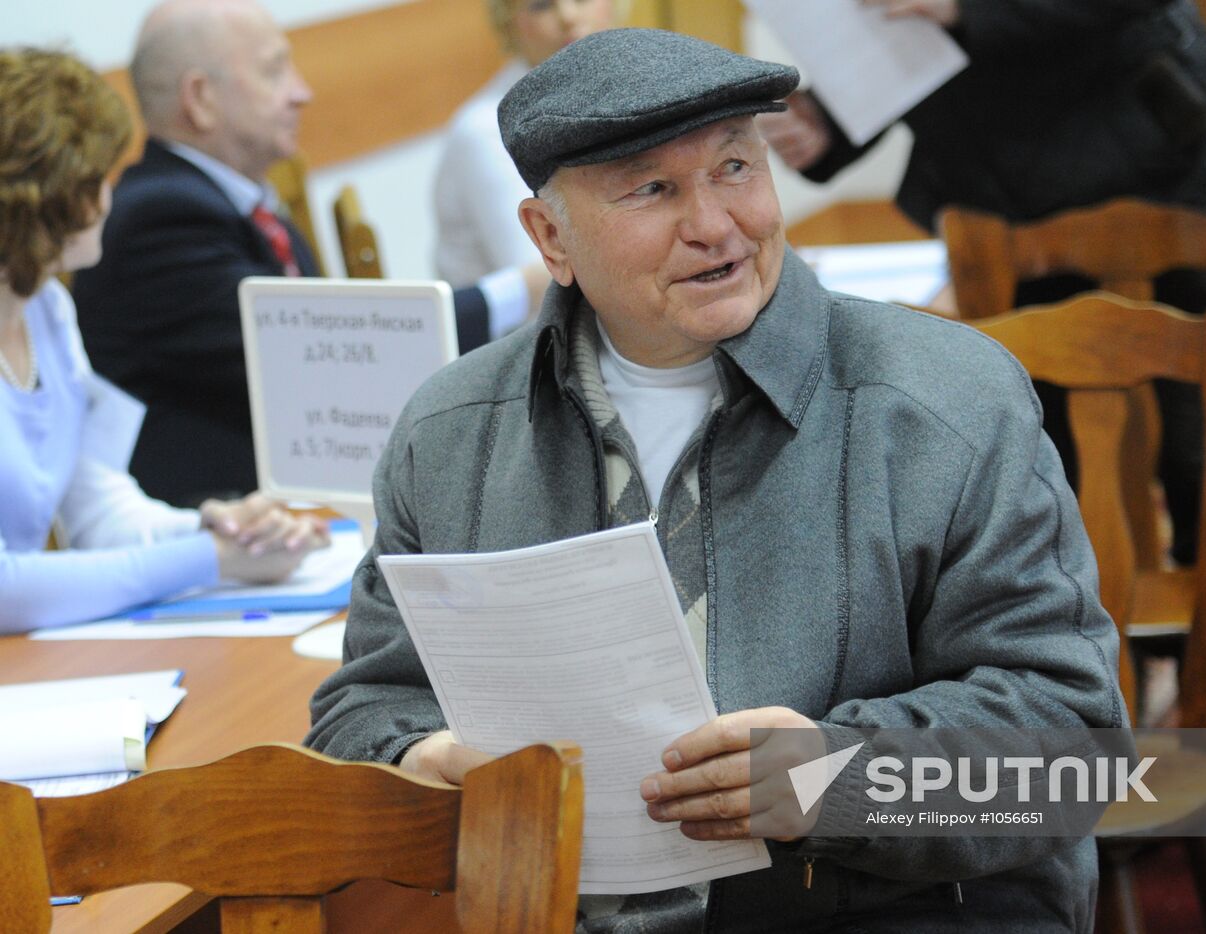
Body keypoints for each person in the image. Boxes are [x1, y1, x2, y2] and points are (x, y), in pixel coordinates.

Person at [308, 29, 1125, 931]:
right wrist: (425, 760)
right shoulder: (451, 435)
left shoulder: (943, 402)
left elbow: (1071, 746)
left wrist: (831, 776)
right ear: (551, 237)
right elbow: (364, 705)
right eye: (653, 189)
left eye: (737, 166)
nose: (713, 224)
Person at [760, 0, 1206, 745]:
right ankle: (1100, 741)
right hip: (1007, 212)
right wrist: (827, 124)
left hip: (1169, 176)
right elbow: (903, 47)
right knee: (1047, 490)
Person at [70, 0, 523, 507]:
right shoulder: (160, 220)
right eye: (273, 69)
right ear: (200, 99)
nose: (302, 92)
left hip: (296, 513)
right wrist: (518, 293)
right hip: (216, 529)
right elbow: (335, 355)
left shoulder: (240, 198)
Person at [0, 46, 327, 634]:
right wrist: (208, 560)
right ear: (45, 196)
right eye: (95, 177)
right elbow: (6, 588)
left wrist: (215, 530)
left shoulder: (47, 308)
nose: (109, 195)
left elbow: (95, 507)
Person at [431, 0, 617, 288]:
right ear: (508, 24)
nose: (568, 17)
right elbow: (548, 275)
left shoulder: (618, 94)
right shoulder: (485, 131)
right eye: (541, 5)